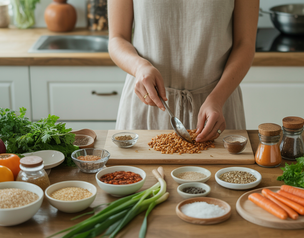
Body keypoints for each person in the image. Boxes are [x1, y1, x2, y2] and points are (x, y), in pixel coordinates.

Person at [108, 0, 259, 142]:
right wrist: (139, 67)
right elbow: (117, 38)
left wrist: (217, 99)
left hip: (218, 106)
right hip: (148, 100)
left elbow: (244, 43)